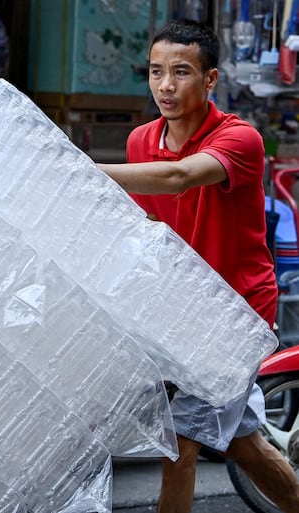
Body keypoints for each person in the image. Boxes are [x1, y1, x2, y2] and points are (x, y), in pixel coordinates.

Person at [97, 18, 299, 513]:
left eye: (181, 72)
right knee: (242, 443)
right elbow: (149, 226)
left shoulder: (241, 139)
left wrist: (80, 169)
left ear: (210, 80)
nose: (166, 85)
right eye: (156, 72)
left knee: (179, 442)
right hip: (179, 312)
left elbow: (180, 177)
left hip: (237, 312)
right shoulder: (141, 142)